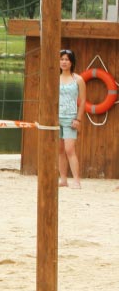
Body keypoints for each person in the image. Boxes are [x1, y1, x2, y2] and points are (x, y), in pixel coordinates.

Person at [58, 49, 87, 188]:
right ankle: (63, 179)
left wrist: (78, 119)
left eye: (67, 59)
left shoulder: (78, 79)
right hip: (56, 118)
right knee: (59, 150)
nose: (64, 62)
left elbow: (83, 100)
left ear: (72, 62)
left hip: (70, 118)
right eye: (62, 59)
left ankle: (76, 181)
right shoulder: (55, 78)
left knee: (69, 149)